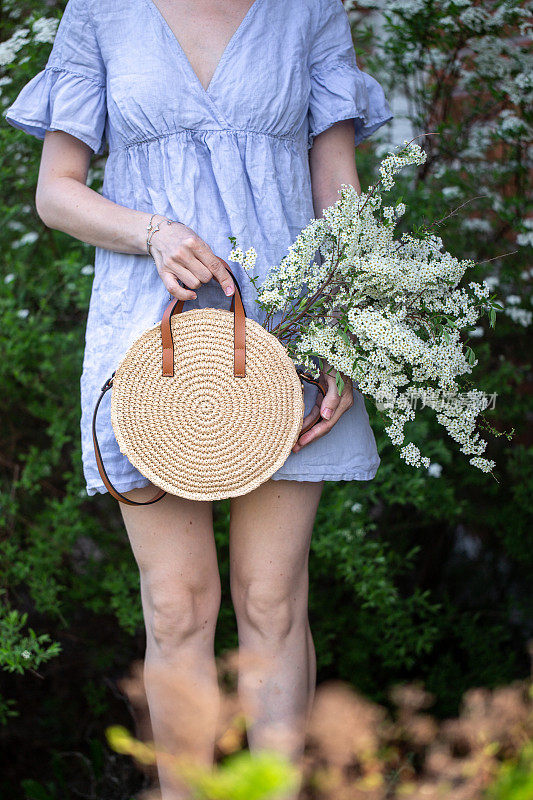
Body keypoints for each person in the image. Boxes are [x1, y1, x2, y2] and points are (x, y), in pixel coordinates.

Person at [4, 0, 393, 796]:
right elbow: (56, 192)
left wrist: (347, 339)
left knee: (272, 599)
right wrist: (153, 232)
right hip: (149, 336)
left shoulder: (308, 10)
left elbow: (338, 188)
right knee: (176, 605)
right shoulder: (101, 13)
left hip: (286, 333)